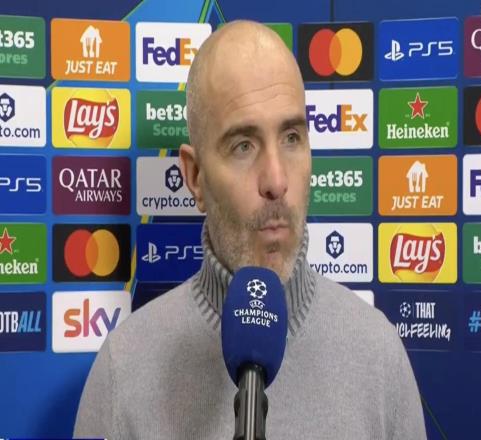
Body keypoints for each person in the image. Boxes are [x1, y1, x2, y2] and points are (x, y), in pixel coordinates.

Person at [74, 20, 427, 439]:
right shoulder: (124, 369)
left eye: (291, 137)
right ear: (195, 176)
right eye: (243, 146)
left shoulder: (379, 358)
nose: (276, 181)